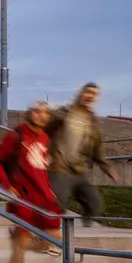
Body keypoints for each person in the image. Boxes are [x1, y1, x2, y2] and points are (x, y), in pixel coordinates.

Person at [0, 100, 61, 263]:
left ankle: (19, 254)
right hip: (24, 197)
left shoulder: (45, 137)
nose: (40, 115)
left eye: (44, 112)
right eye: (36, 111)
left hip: (45, 199)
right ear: (28, 113)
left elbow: (41, 167)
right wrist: (6, 184)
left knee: (56, 243)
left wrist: (50, 189)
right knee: (21, 243)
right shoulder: (16, 135)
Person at [46, 82, 118, 227]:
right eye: (87, 92)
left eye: (94, 94)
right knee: (57, 204)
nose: (90, 96)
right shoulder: (64, 113)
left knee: (93, 203)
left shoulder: (91, 123)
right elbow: (43, 130)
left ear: (97, 98)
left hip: (79, 170)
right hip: (60, 168)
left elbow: (97, 151)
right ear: (80, 94)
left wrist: (108, 169)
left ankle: (81, 235)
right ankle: (45, 235)